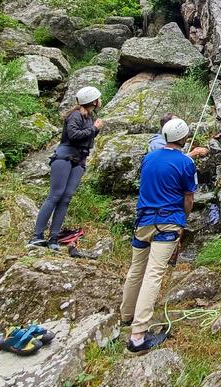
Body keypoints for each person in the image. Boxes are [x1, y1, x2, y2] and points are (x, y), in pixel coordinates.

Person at [120, 118, 197, 354]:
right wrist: (182, 220)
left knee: (136, 269)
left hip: (143, 221)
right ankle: (137, 336)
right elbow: (188, 197)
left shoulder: (148, 157)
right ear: (184, 138)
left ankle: (126, 316)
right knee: (153, 274)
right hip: (168, 222)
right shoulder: (186, 162)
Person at [29, 86, 104, 250]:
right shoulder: (75, 115)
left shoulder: (89, 116)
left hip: (79, 159)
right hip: (64, 157)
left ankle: (54, 238)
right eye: (98, 98)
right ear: (93, 101)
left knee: (66, 197)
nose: (100, 100)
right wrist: (95, 128)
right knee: (55, 195)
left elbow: (86, 138)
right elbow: (74, 135)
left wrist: (93, 129)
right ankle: (37, 236)